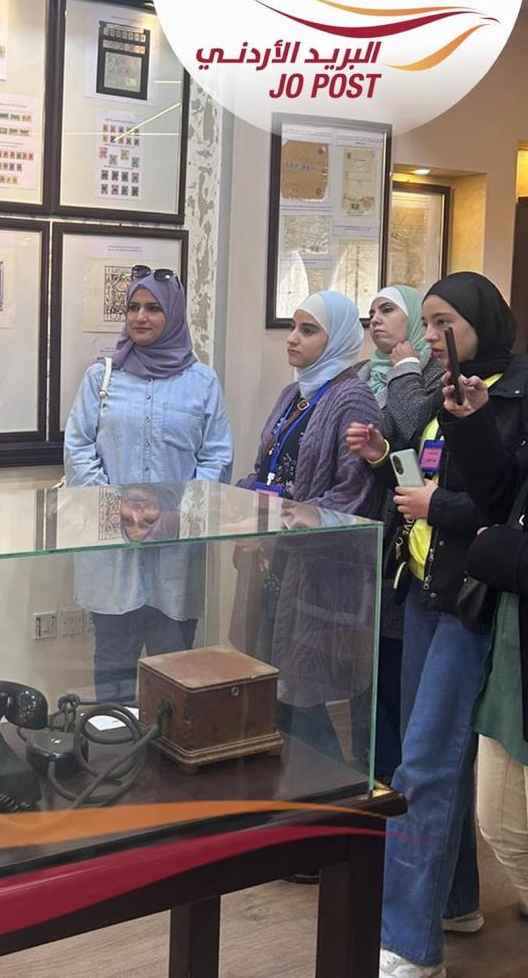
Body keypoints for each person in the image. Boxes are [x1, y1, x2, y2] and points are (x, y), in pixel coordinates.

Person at [346, 272, 528, 978]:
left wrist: (439, 504)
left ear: (483, 321)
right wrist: (380, 464)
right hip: (426, 589)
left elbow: (496, 508)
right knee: (435, 763)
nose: (430, 336)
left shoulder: (513, 394)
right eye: (425, 322)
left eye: (443, 321)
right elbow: (423, 477)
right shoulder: (444, 391)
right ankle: (451, 904)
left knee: (424, 765)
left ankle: (406, 946)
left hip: (473, 602)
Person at [64, 266, 233, 701]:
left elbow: (217, 456)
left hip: (176, 548)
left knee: (174, 667)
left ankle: (168, 743)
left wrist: (176, 515)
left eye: (153, 308)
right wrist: (114, 505)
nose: (140, 317)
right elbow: (78, 447)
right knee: (113, 664)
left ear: (173, 314)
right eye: (133, 307)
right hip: (113, 546)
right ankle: (113, 739)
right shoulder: (101, 378)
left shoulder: (202, 382)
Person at [236, 290, 383, 764]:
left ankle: (329, 790)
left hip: (319, 570)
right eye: (292, 328)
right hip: (277, 562)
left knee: (305, 702)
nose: (292, 339)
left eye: (307, 330)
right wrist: (238, 500)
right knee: (275, 690)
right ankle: (287, 787)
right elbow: (266, 469)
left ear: (337, 337)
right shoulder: (294, 393)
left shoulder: (354, 400)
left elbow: (352, 495)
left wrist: (283, 520)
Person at [437, 356, 528, 930]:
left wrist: (493, 549)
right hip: (513, 644)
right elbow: (503, 501)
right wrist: (473, 424)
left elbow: (496, 530)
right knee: (500, 822)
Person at [357, 285, 446, 781]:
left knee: (397, 673)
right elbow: (402, 461)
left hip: (409, 541)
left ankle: (396, 779)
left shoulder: (429, 376)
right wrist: (378, 456)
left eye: (388, 310)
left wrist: (406, 369)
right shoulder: (364, 374)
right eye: (371, 312)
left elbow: (412, 430)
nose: (376, 320)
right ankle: (374, 773)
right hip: (373, 531)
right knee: (369, 676)